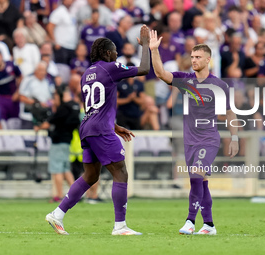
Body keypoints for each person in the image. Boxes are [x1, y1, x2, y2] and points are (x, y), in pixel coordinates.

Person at [45, 25, 150, 235]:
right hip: (100, 129)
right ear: (106, 53)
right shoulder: (110, 68)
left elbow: (93, 107)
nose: (117, 53)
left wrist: (115, 126)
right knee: (120, 172)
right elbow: (144, 69)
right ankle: (120, 226)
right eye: (114, 51)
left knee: (90, 176)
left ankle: (57, 214)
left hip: (88, 127)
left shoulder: (86, 74)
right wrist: (146, 45)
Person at [149, 30, 239, 235]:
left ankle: (190, 221)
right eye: (192, 57)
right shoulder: (185, 81)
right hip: (190, 140)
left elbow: (230, 112)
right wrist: (154, 51)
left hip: (209, 139)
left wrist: (234, 137)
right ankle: (209, 225)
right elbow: (162, 74)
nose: (194, 60)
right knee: (202, 182)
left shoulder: (219, 85)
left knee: (196, 177)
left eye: (198, 57)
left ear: (208, 59)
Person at [34, 86, 80, 203]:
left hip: (58, 141)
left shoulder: (63, 108)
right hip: (67, 140)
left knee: (57, 169)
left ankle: (59, 196)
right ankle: (76, 194)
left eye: (55, 96)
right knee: (65, 169)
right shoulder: (75, 106)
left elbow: (49, 123)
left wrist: (38, 126)